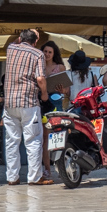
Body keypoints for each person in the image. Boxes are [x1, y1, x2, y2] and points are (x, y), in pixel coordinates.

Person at [3, 28, 51, 185]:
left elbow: (14, 41)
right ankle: (35, 177)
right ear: (36, 42)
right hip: (28, 102)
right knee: (33, 140)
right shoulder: (38, 54)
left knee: (12, 141)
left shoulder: (11, 48)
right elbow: (40, 79)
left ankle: (12, 177)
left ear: (20, 38)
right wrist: (44, 94)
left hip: (10, 102)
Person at [40, 40, 65, 178]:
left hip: (56, 102)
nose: (47, 54)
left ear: (54, 53)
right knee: (45, 137)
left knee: (57, 136)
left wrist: (62, 89)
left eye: (50, 52)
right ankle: (47, 168)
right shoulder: (38, 66)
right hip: (43, 103)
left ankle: (59, 166)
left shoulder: (60, 67)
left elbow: (67, 90)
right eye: (45, 51)